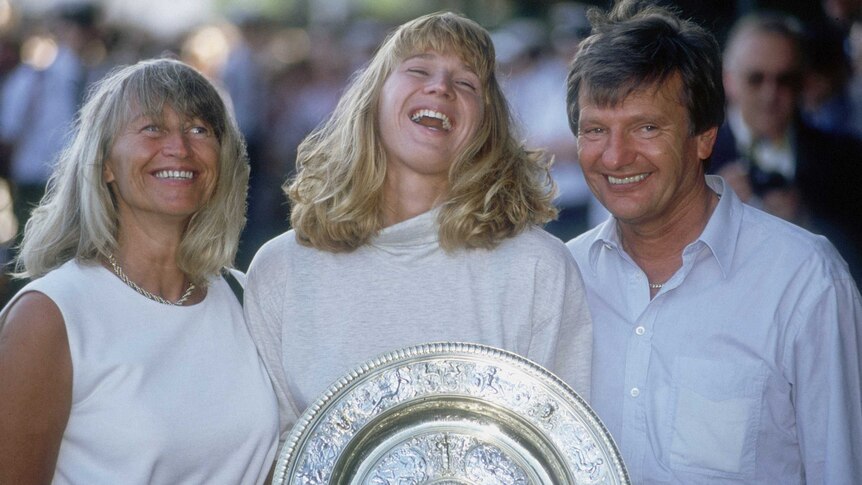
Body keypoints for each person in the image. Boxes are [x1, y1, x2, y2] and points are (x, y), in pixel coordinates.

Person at [244, 11, 593, 442]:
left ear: (487, 126)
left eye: (466, 83)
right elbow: (271, 451)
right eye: (418, 69)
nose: (440, 87)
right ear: (372, 99)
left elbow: (561, 447)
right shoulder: (282, 270)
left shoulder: (538, 269)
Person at [565, 1, 862, 483]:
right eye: (595, 129)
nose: (615, 156)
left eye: (646, 127)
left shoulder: (805, 282)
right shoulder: (561, 279)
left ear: (704, 137)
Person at [0, 58, 278, 484]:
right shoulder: (51, 316)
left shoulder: (247, 299)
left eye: (199, 129)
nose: (179, 147)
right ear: (106, 163)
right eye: (152, 128)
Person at [712, 12, 862, 281]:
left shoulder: (846, 159)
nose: (770, 95)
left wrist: (807, 223)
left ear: (803, 83)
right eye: (756, 79)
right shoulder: (697, 158)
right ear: (729, 80)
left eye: (785, 80)